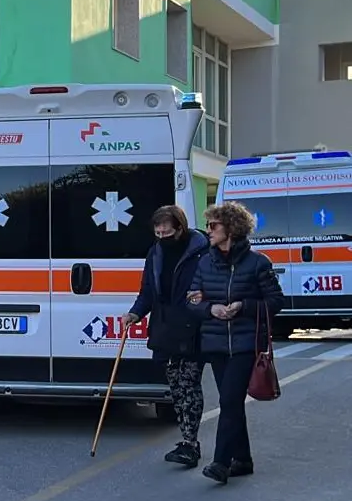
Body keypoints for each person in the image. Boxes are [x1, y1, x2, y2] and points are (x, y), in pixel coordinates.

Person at [186, 201, 284, 485]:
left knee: (229, 400)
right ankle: (243, 460)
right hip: (215, 343)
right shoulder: (205, 261)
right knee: (231, 403)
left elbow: (275, 301)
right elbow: (193, 298)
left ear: (231, 228)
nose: (209, 231)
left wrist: (243, 306)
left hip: (245, 343)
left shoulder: (258, 262)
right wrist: (210, 309)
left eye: (213, 226)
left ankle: (220, 462)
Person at [121, 205, 210, 468]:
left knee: (189, 385)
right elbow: (147, 290)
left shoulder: (201, 252)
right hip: (165, 328)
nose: (162, 237)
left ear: (180, 229)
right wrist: (135, 314)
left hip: (193, 327)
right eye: (158, 232)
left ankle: (191, 443)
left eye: (167, 232)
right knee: (176, 387)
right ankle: (186, 440)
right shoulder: (156, 253)